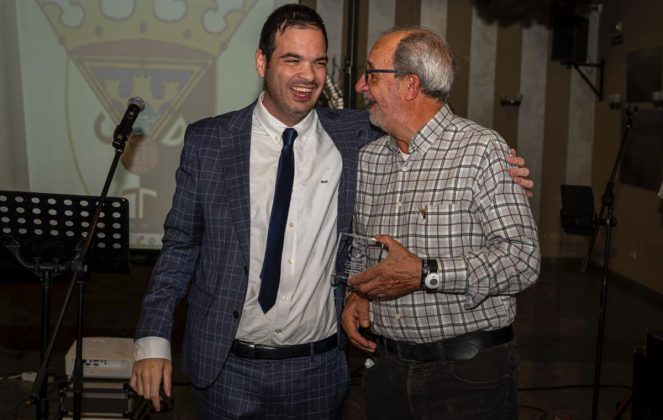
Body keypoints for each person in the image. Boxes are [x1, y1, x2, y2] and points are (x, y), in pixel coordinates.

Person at [130, 5, 533, 419]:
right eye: (293, 60)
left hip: (318, 371)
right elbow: (180, 246)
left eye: (319, 62)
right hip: (227, 368)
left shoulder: (357, 137)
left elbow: (427, 131)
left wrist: (504, 167)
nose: (309, 75)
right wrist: (153, 339)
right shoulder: (211, 142)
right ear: (262, 62)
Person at [342, 27, 541, 420]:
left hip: (466, 375)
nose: (361, 85)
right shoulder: (370, 159)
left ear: (410, 85)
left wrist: (426, 273)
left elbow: (523, 259)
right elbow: (364, 250)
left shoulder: (481, 150)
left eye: (372, 74)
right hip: (385, 370)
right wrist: (358, 293)